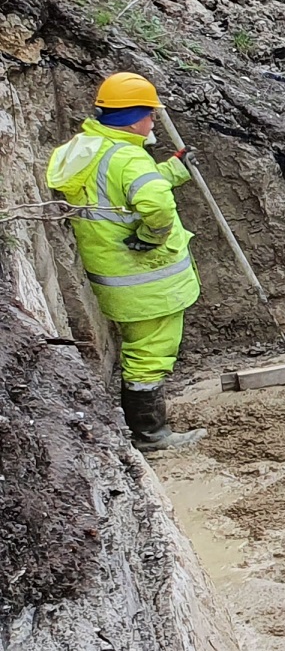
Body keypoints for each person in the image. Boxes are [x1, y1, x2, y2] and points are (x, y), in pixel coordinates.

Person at [46, 72, 206, 451]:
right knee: (149, 354)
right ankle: (151, 434)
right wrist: (150, 237)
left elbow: (123, 189)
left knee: (138, 349)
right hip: (148, 281)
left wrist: (173, 169)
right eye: (150, 115)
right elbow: (155, 204)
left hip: (114, 275)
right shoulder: (130, 157)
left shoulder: (89, 147)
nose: (153, 122)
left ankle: (145, 427)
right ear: (136, 117)